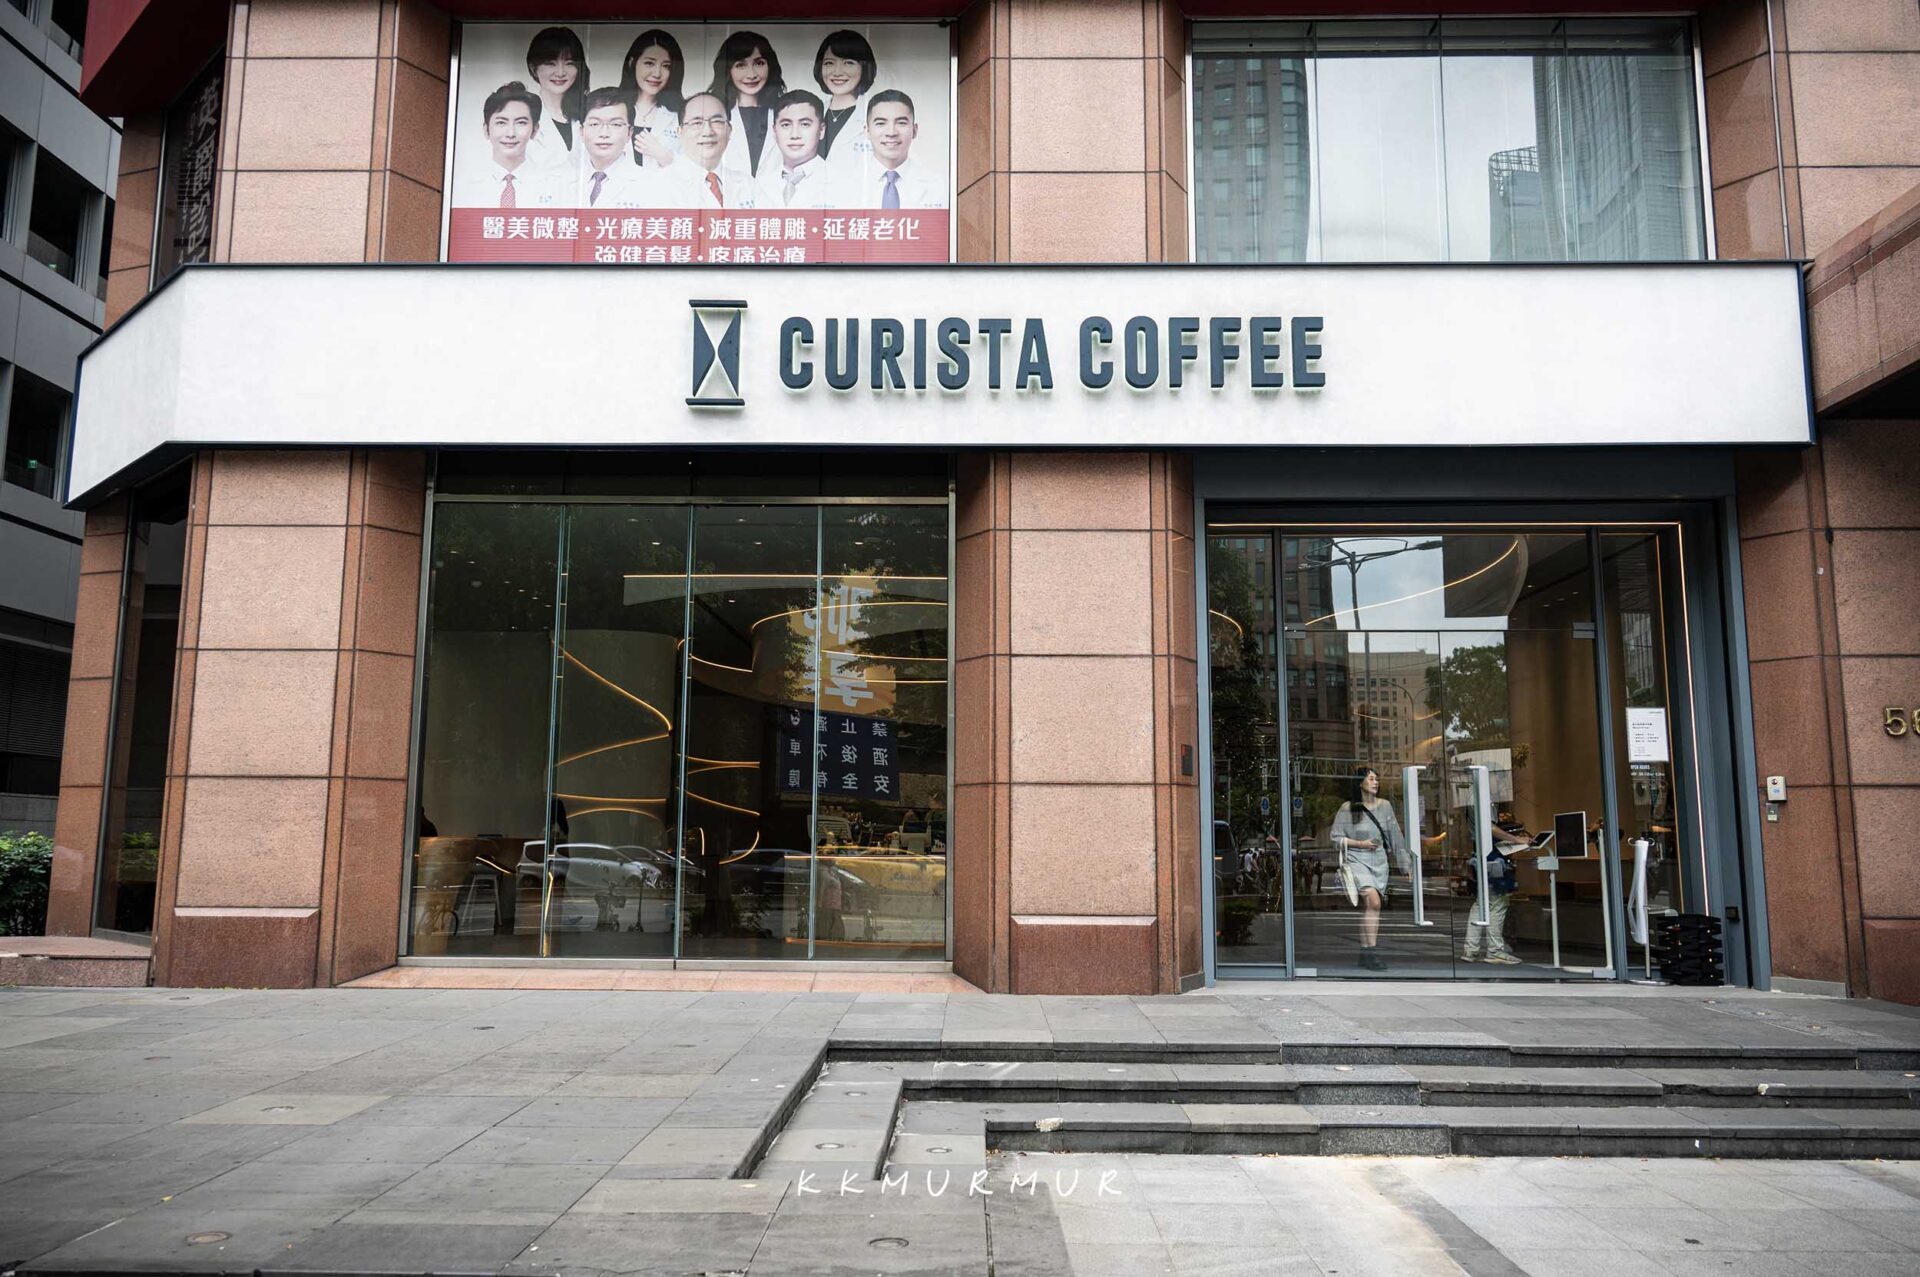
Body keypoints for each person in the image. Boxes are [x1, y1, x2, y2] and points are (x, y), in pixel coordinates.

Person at [1329, 766, 1404, 971]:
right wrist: (1361, 844)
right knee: (1373, 901)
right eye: (1371, 779)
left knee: (1371, 907)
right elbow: (1335, 838)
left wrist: (1406, 864)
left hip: (1379, 862)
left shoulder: (1385, 806)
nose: (1375, 782)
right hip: (1356, 859)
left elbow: (1395, 836)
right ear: (1360, 782)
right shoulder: (1347, 808)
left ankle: (1365, 953)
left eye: (1376, 779)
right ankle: (1371, 952)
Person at [638, 92, 759, 209]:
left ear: (729, 130)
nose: (707, 132)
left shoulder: (748, 184)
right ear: (680, 132)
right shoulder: (658, 186)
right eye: (696, 123)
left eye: (717, 121)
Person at [451, 81, 560, 208]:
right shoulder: (464, 187)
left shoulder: (553, 186)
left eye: (521, 122)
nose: (510, 133)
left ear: (534, 130)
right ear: (486, 130)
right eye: (501, 123)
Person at [849, 90, 947, 210]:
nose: (891, 132)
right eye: (881, 123)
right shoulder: (847, 183)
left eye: (901, 123)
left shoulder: (937, 186)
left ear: (914, 130)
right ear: (867, 131)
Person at [709, 30, 784, 178]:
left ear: (770, 66)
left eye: (759, 63)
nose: (751, 74)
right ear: (728, 70)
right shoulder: (713, 113)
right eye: (740, 65)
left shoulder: (784, 111)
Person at [1462, 812, 1531, 964]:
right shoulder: (1483, 807)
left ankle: (1471, 949)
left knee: (1480, 906)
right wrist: (1517, 840)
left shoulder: (1471, 812)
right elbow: (1491, 828)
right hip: (1494, 864)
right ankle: (1495, 950)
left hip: (1481, 861)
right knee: (1498, 905)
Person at [757, 90, 843, 208]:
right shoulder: (760, 181)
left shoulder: (839, 182)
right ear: (774, 131)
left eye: (805, 124)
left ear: (821, 130)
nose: (795, 135)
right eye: (786, 125)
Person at [523, 27, 589, 177]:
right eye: (551, 63)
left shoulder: (589, 111)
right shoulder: (522, 113)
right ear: (533, 68)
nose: (560, 72)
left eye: (569, 63)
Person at [618, 29, 685, 169]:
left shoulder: (681, 113)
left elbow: (693, 168)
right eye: (649, 63)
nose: (657, 74)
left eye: (666, 66)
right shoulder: (613, 107)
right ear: (632, 63)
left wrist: (663, 156)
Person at [574, 88, 649, 208]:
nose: (604, 134)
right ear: (582, 132)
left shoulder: (649, 183)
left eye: (616, 124)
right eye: (594, 124)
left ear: (629, 133)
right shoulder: (563, 179)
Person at [812, 29, 877, 162]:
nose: (837, 72)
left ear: (864, 67)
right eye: (829, 63)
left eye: (848, 63)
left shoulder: (875, 116)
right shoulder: (811, 111)